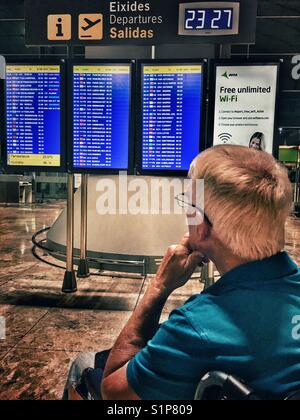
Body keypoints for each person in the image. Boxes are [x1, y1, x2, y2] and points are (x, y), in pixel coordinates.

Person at [65, 145, 300, 400]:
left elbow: (112, 391)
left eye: (187, 203)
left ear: (201, 227)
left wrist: (159, 287)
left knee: (83, 364)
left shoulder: (195, 327)